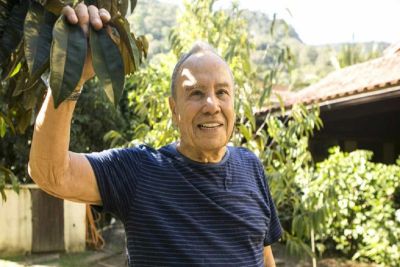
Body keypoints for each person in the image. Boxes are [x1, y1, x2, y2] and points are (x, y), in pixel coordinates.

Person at [28, 3, 282, 266]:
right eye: (196, 93)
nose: (211, 105)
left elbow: (264, 256)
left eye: (222, 92)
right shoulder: (140, 172)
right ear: (174, 110)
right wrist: (72, 76)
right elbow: (51, 172)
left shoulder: (251, 167)